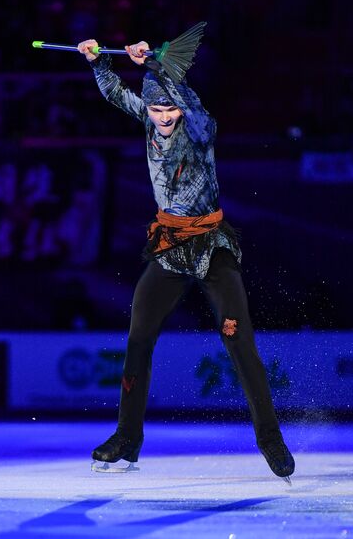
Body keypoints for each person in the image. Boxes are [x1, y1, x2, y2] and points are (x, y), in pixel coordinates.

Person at [78, 37, 295, 481]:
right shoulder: (148, 119)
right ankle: (127, 438)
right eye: (156, 110)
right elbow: (118, 94)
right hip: (170, 250)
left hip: (212, 247)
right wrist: (99, 61)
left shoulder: (199, 126)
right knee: (138, 340)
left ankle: (271, 441)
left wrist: (155, 65)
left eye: (168, 110)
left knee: (239, 341)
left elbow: (184, 100)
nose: (162, 117)